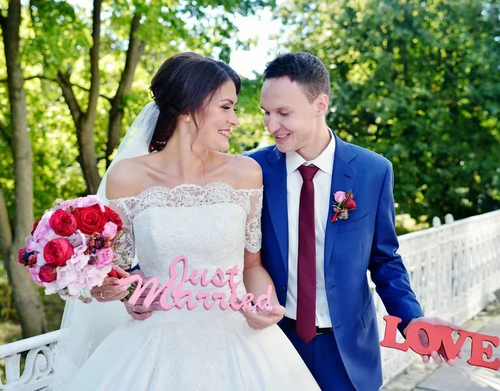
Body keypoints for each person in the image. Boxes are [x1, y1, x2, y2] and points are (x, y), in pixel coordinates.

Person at [53, 52, 320, 391]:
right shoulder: (126, 177)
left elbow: (250, 265)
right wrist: (123, 293)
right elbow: (112, 272)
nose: (235, 119)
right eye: (226, 107)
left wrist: (264, 302)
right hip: (154, 346)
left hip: (240, 340)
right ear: (187, 106)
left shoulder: (246, 174)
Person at [246, 52, 462, 390]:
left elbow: (384, 259)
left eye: (284, 113)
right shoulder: (250, 171)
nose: (272, 125)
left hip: (347, 352)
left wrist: (412, 319)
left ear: (320, 105)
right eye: (267, 113)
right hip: (272, 343)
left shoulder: (373, 170)